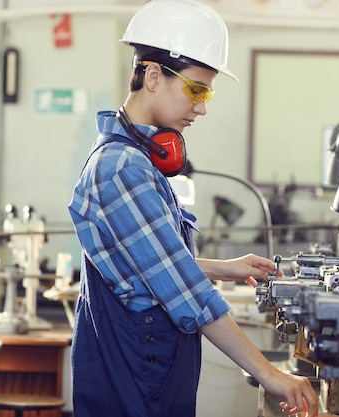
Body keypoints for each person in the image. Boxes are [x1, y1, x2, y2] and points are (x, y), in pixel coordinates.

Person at [67, 1, 319, 416]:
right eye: (197, 90)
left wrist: (227, 267)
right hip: (135, 386)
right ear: (152, 76)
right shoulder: (122, 169)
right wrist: (271, 375)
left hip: (143, 377)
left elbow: (150, 262)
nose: (202, 107)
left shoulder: (134, 161)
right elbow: (186, 292)